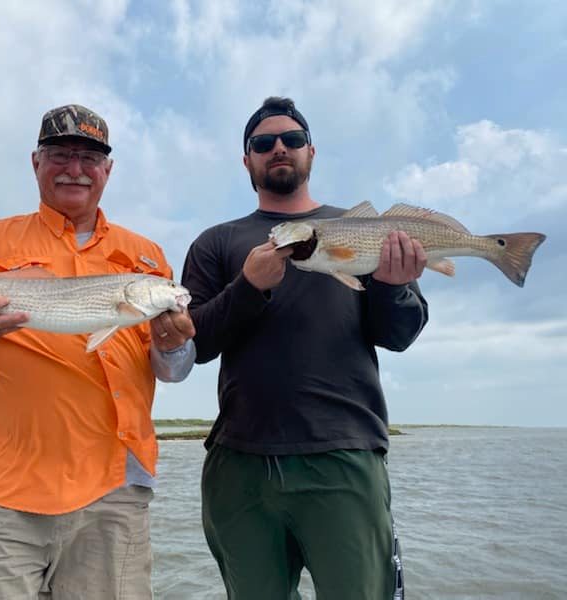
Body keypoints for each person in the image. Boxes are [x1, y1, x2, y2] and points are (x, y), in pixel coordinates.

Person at [0, 104, 196, 599]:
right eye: (60, 154)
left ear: (108, 169)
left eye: (90, 158)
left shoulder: (146, 257)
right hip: (2, 492)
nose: (75, 169)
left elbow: (173, 370)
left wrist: (175, 345)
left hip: (115, 494)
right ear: (35, 162)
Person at [181, 97, 428, 599]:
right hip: (239, 464)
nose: (279, 148)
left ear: (310, 152)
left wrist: (391, 285)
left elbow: (400, 335)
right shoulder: (217, 242)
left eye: (292, 139)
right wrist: (248, 287)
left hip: (345, 454)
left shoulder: (367, 233)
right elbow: (195, 344)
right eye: (263, 142)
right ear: (247, 159)